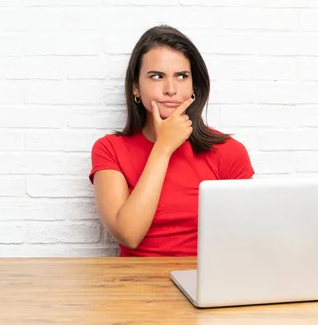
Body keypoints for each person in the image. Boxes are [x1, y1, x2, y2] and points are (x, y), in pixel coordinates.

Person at [88, 25, 255, 257]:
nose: (170, 89)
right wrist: (164, 147)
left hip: (203, 283)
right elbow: (129, 234)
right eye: (157, 76)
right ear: (136, 87)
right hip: (134, 285)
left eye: (181, 76)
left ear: (193, 87)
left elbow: (247, 241)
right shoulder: (109, 150)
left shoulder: (228, 152)